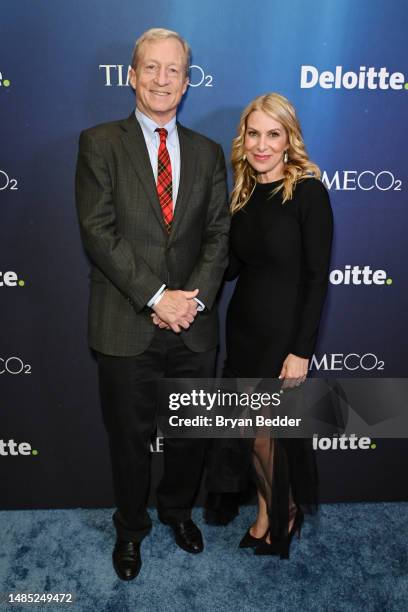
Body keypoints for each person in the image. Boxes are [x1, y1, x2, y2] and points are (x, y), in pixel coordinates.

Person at [75, 28, 229, 580]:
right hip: (125, 322)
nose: (163, 80)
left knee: (190, 435)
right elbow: (99, 232)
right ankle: (131, 529)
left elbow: (218, 235)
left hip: (193, 325)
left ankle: (177, 512)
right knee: (129, 441)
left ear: (187, 83)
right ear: (133, 74)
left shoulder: (210, 153)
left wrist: (191, 303)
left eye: (174, 71)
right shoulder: (99, 143)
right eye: (152, 68)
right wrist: (158, 297)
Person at [208, 93, 333, 557]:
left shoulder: (308, 192)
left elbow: (318, 277)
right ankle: (267, 510)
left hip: (283, 339)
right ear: (244, 138)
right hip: (243, 331)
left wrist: (301, 350)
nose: (262, 144)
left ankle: (283, 511)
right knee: (251, 435)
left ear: (288, 140)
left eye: (273, 134)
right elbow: (231, 267)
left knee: (267, 434)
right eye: (254, 133)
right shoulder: (242, 195)